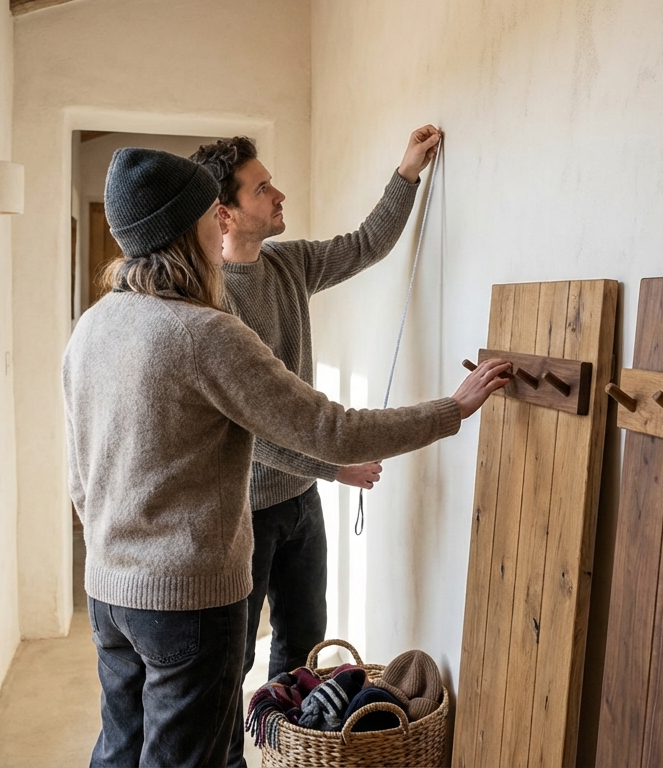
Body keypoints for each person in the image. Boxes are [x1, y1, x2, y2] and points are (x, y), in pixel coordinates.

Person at [63, 147, 508, 768]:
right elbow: (331, 431)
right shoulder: (205, 332)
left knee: (119, 750)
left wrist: (113, 551)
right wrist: (452, 410)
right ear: (192, 228)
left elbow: (79, 475)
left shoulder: (94, 324)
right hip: (185, 600)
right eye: (205, 215)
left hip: (109, 591)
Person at [190, 127, 441, 764]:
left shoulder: (289, 263)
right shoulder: (214, 306)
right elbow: (250, 431)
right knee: (235, 654)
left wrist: (406, 171)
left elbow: (366, 244)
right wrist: (333, 465)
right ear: (225, 212)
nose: (279, 194)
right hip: (244, 510)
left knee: (303, 644)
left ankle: (285, 751)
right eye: (262, 187)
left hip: (301, 503)